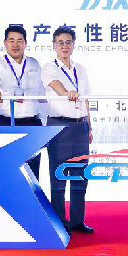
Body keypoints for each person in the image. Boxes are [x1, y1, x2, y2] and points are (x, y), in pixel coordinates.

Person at [41, 27, 94, 234]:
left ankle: (77, 221)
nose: (65, 46)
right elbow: (56, 86)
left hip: (80, 126)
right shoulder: (49, 68)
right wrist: (67, 93)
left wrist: (89, 125)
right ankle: (60, 223)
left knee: (80, 174)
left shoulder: (81, 69)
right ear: (54, 45)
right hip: (59, 126)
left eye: (68, 42)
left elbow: (86, 98)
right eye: (60, 42)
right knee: (59, 175)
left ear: (73, 45)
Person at [0, 25, 45, 178]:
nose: (15, 44)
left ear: (25, 43)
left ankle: (31, 194)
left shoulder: (34, 63)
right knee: (6, 169)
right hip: (7, 122)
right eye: (11, 40)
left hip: (32, 123)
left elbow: (41, 92)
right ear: (5, 43)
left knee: (33, 170)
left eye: (19, 40)